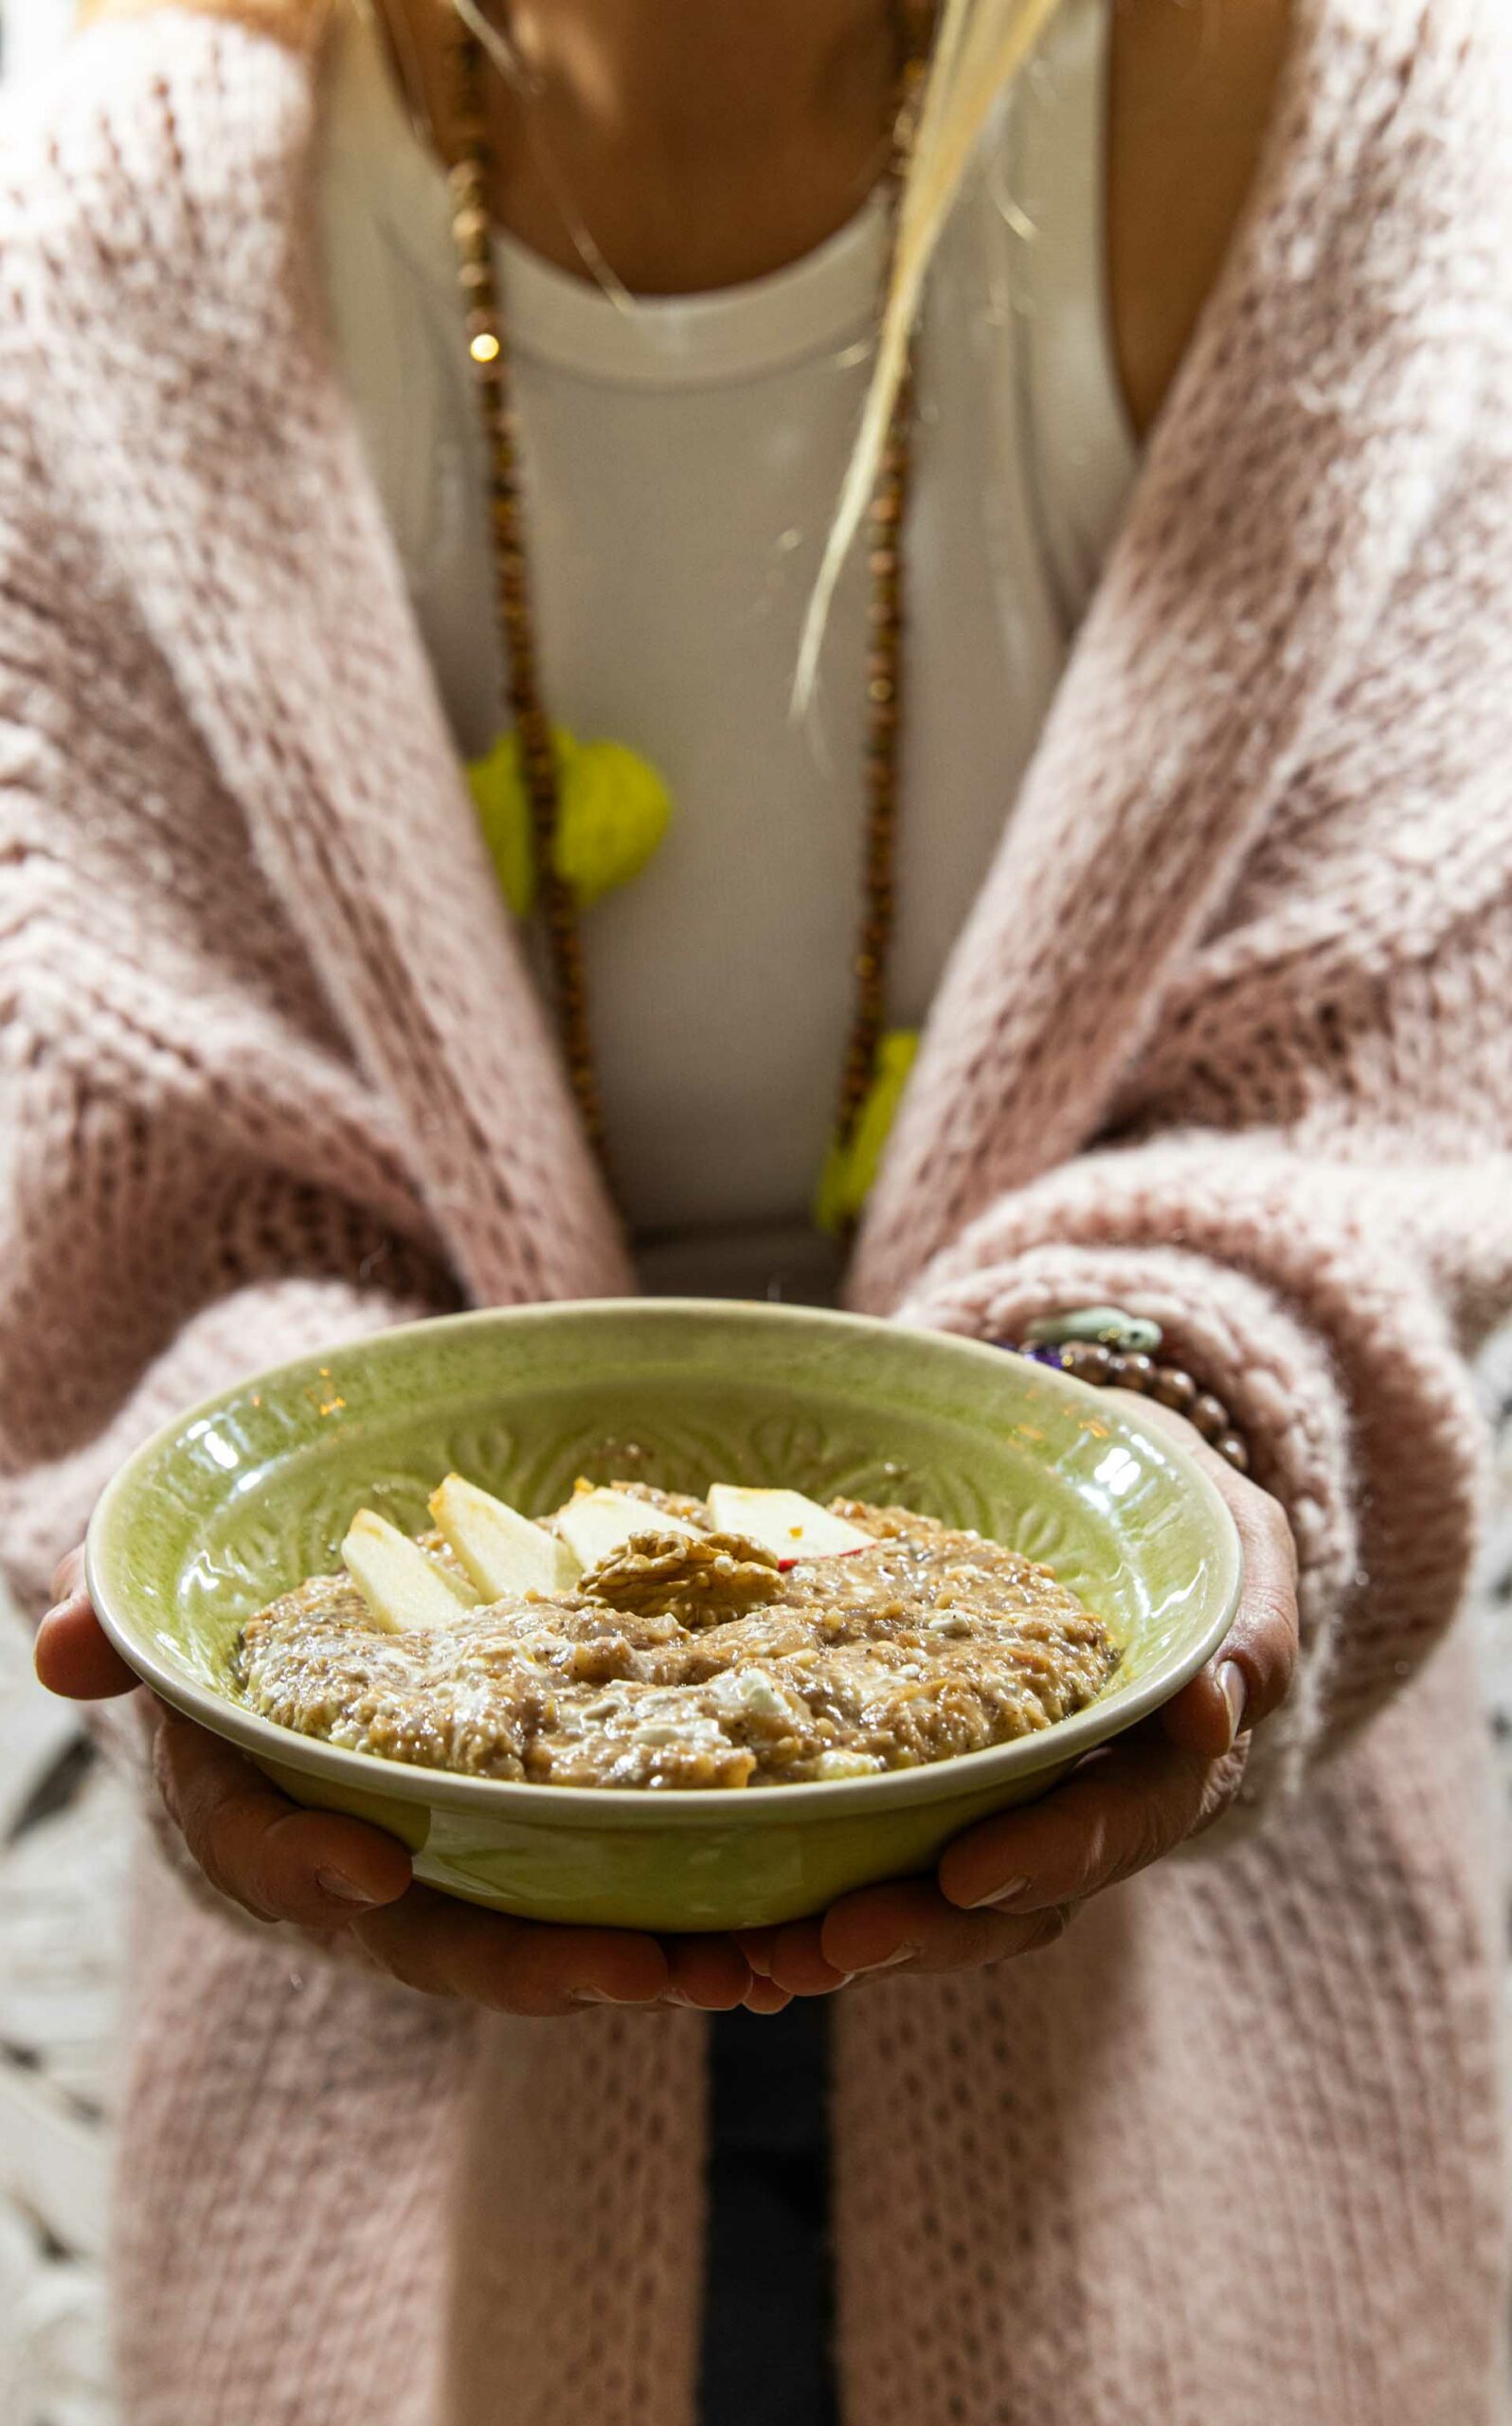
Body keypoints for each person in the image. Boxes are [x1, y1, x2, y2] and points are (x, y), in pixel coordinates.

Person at [3, 0, 1510, 2417]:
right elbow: (160, 1187)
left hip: (1192, 2052)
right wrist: (287, 1582)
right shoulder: (102, 230)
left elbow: (1360, 1083)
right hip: (399, 2064)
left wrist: (1153, 1445)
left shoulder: (1322, 104)